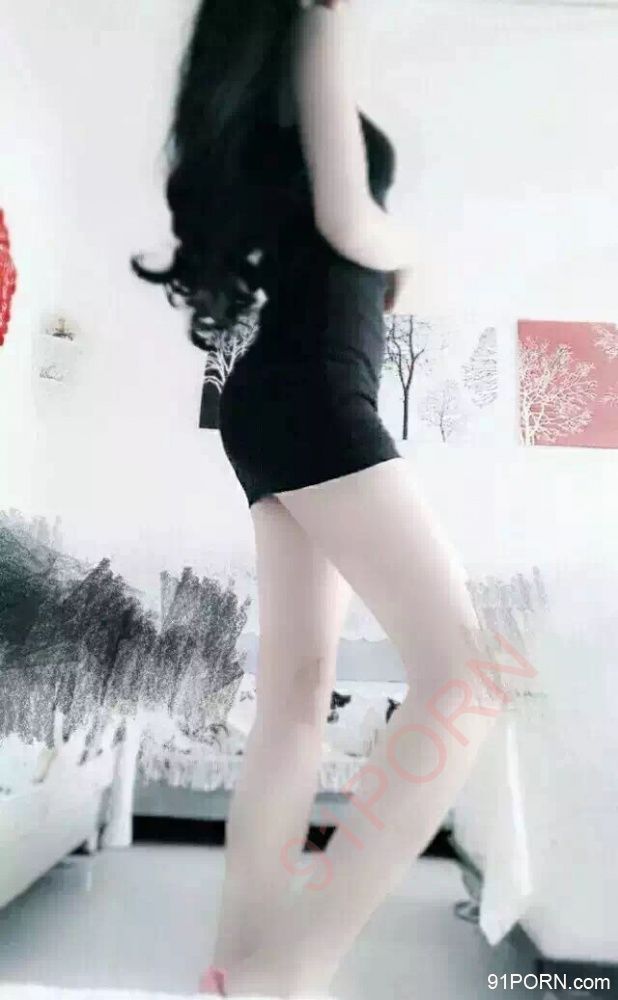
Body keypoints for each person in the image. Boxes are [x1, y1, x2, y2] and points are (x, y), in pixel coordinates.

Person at [133, 2, 500, 997]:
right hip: (314, 395)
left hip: (272, 399)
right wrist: (407, 248)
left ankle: (237, 966)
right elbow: (349, 221)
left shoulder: (254, 83)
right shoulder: (314, 20)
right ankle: (291, 969)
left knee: (295, 698)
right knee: (465, 678)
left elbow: (320, 232)